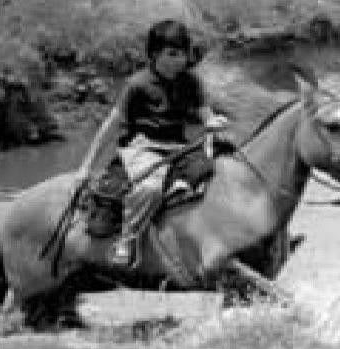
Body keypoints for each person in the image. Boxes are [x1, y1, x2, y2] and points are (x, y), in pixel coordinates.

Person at [76, 18, 229, 263]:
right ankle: (127, 239)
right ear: (155, 54)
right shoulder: (137, 85)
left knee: (216, 171)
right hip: (144, 147)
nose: (180, 61)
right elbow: (111, 126)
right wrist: (86, 166)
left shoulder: (190, 82)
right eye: (172, 54)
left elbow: (205, 113)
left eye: (183, 55)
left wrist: (213, 122)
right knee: (150, 189)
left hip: (179, 148)